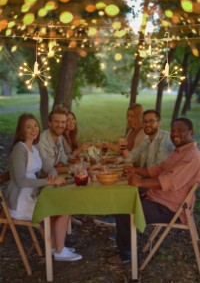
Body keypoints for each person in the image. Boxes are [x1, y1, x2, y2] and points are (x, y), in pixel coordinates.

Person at [114, 118, 200, 263]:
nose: (175, 134)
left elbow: (170, 181)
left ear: (191, 132)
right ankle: (126, 241)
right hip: (159, 198)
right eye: (173, 130)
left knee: (125, 211)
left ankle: (126, 255)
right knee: (126, 195)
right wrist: (135, 170)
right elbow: (159, 169)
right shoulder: (179, 151)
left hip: (171, 208)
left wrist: (141, 182)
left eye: (181, 130)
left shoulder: (193, 156)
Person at [5, 113, 82, 261]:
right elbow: (21, 181)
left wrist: (52, 175)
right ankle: (59, 251)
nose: (34, 129)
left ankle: (54, 246)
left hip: (33, 192)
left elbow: (48, 167)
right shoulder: (19, 149)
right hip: (22, 199)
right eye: (28, 127)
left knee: (60, 203)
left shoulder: (34, 148)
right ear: (21, 130)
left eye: (35, 125)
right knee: (64, 207)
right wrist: (47, 182)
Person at [94, 104, 146, 228]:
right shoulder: (131, 131)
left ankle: (116, 216)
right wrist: (108, 144)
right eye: (128, 116)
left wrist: (120, 150)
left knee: (114, 181)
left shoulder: (143, 133)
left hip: (138, 171)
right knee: (107, 175)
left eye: (132, 116)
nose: (129, 119)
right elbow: (122, 151)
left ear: (140, 116)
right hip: (128, 165)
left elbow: (135, 157)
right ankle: (113, 213)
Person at [37, 105, 69, 174]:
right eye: (57, 121)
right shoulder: (41, 141)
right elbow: (45, 170)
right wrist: (72, 169)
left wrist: (60, 163)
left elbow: (63, 156)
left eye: (63, 122)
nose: (60, 125)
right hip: (41, 182)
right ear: (49, 123)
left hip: (54, 177)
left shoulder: (59, 136)